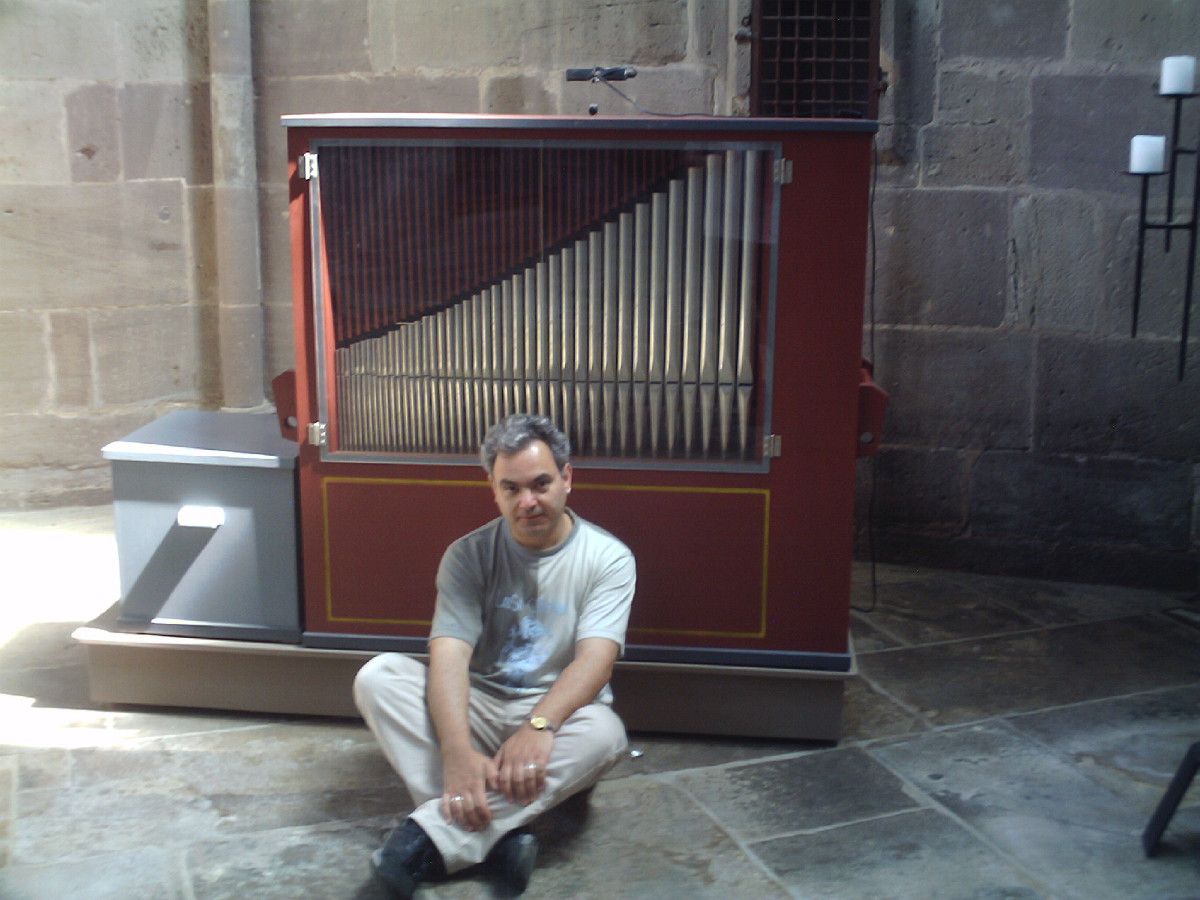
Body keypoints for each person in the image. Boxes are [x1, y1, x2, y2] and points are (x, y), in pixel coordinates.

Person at [354, 413, 636, 898]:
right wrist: (457, 750)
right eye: (512, 489)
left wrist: (539, 726)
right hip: (478, 703)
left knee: (606, 733)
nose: (528, 502)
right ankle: (497, 836)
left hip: (553, 715)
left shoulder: (608, 558)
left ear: (567, 479)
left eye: (541, 484)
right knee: (379, 677)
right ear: (494, 489)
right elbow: (447, 658)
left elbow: (595, 662)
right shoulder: (467, 556)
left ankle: (422, 840)